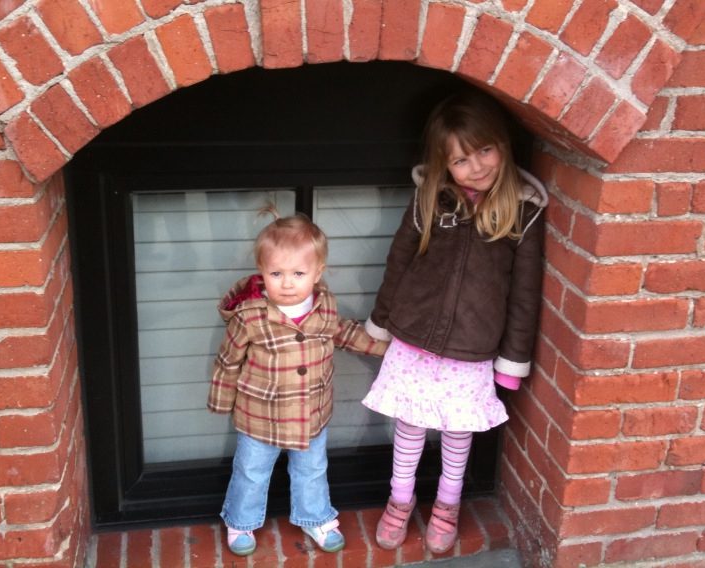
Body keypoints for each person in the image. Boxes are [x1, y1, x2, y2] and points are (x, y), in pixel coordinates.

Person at [362, 90, 548, 553]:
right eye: (461, 160)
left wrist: (513, 361)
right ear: (444, 165)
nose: (477, 167)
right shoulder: (431, 200)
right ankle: (400, 500)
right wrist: (381, 322)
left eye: (484, 150)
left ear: (503, 145)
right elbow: (399, 261)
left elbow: (524, 294)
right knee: (409, 427)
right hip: (414, 337)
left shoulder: (522, 212)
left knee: (457, 433)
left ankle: (447, 505)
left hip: (473, 347)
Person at [208, 209, 388, 556]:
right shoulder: (251, 315)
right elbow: (229, 360)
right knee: (251, 471)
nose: (287, 283)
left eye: (298, 273)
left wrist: (387, 349)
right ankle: (241, 521)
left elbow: (344, 333)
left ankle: (314, 516)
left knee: (312, 469)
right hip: (260, 416)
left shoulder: (324, 307)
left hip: (311, 414)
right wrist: (222, 400)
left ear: (317, 273)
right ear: (262, 271)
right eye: (276, 273)